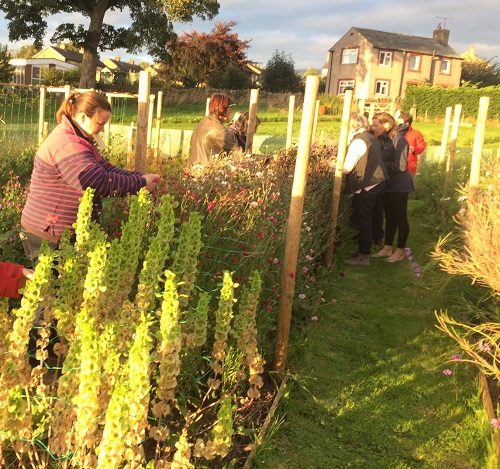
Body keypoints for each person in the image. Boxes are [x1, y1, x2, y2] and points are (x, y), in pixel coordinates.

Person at [20, 90, 162, 261]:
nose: (102, 128)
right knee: (51, 285)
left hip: (57, 231)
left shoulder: (79, 139)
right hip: (47, 234)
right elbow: (97, 182)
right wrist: (140, 183)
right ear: (82, 118)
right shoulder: (67, 143)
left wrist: (141, 177)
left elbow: (105, 169)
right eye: (100, 123)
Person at [343, 112, 388, 267]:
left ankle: (364, 256)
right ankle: (363, 250)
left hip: (368, 185)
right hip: (378, 182)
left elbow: (347, 167)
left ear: (352, 126)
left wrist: (334, 165)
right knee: (369, 218)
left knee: (363, 220)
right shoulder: (369, 137)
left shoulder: (358, 142)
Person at [371, 112, 414, 263]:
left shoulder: (400, 140)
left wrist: (380, 165)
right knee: (389, 217)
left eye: (376, 125)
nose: (373, 127)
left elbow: (401, 166)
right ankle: (387, 247)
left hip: (400, 185)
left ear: (387, 125)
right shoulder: (385, 139)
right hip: (388, 184)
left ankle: (400, 250)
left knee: (400, 217)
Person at [186, 93, 241, 168]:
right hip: (205, 173)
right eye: (230, 107)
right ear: (222, 108)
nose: (232, 110)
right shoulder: (220, 131)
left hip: (190, 169)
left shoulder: (203, 121)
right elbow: (239, 155)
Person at [395, 111, 426, 176]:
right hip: (396, 163)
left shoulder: (416, 133)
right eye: (398, 123)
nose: (398, 125)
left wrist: (414, 150)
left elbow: (422, 146)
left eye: (400, 124)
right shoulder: (394, 133)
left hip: (410, 164)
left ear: (407, 124)